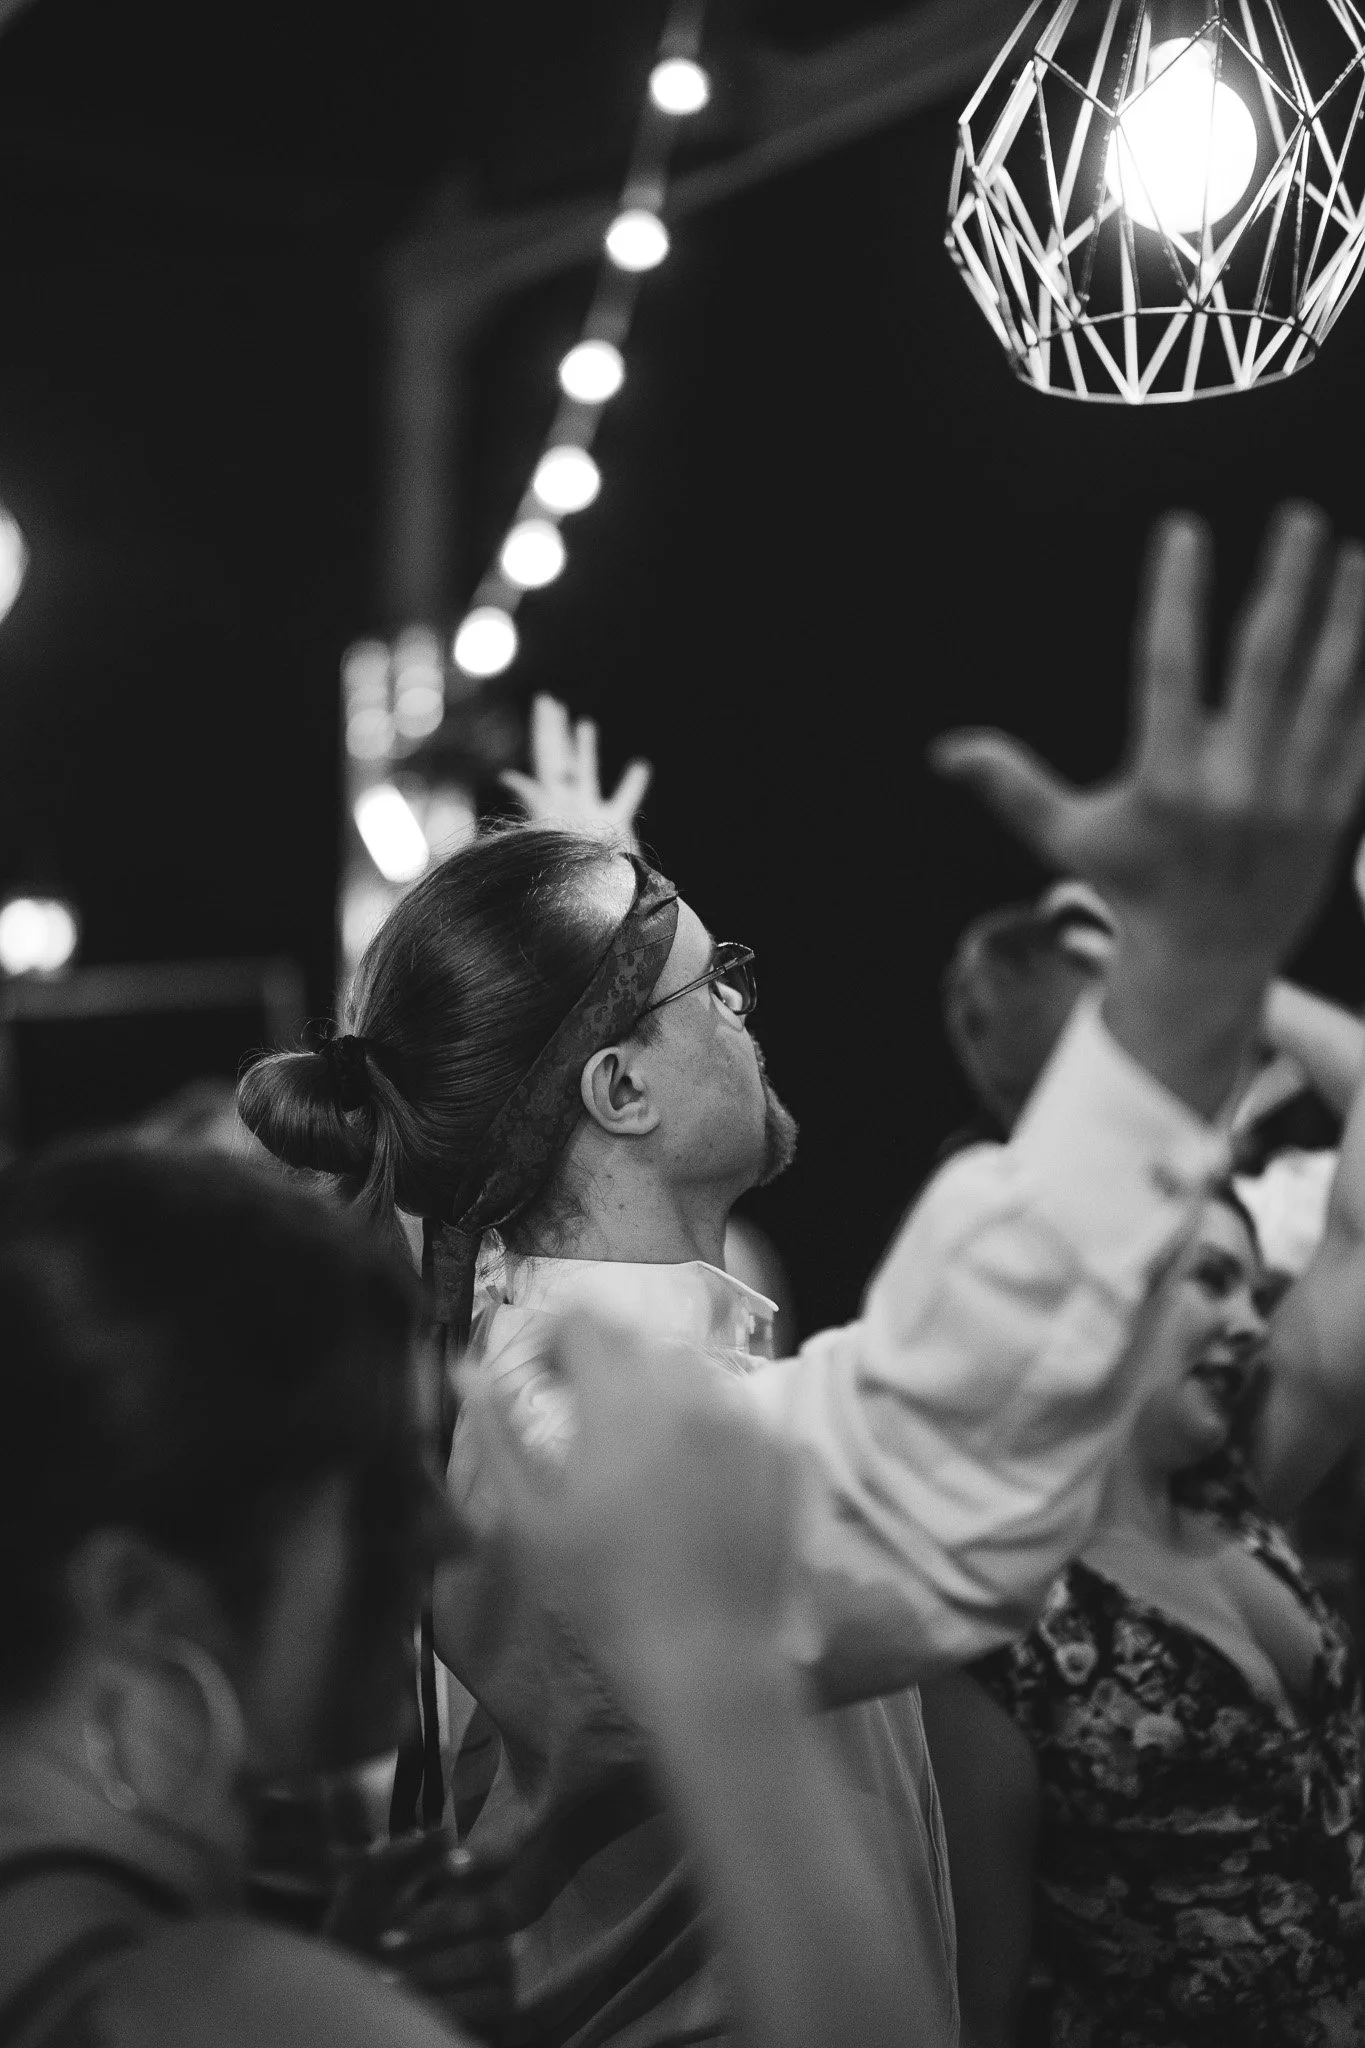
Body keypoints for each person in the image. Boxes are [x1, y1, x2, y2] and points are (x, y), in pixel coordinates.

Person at [239, 500, 1365, 2046]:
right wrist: (1181, 988)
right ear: (621, 1091)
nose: (746, 1009)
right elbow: (932, 1467)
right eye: (718, 983)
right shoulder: (574, 1438)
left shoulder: (581, 1363)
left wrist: (590, 887)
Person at [0, 1138, 926, 2048]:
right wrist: (717, 1666)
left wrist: (351, 1985)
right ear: (138, 1600)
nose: (444, 1531)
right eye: (379, 1492)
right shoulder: (201, 2004)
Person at [922, 1009, 1365, 2046]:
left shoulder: (1234, 1494)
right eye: (1210, 1279)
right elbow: (979, 1989)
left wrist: (1235, 980)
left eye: (1254, 1287)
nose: (1251, 1321)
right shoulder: (992, 1610)